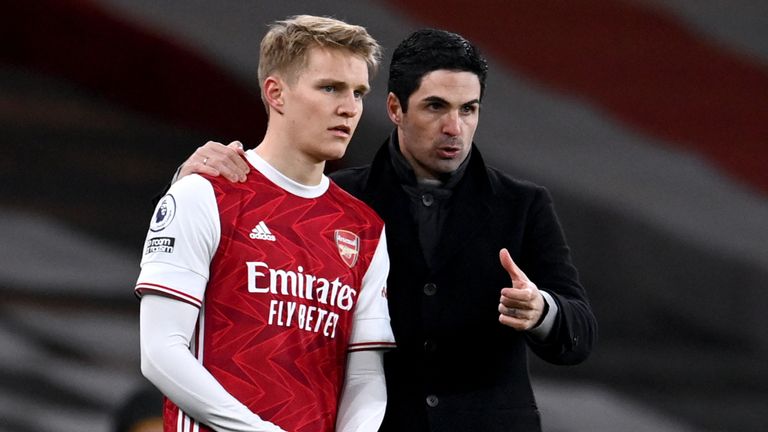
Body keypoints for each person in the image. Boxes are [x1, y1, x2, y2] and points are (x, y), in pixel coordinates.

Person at [180, 28, 597, 431]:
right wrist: (189, 183)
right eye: (436, 107)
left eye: (468, 109)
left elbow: (580, 333)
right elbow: (235, 270)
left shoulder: (523, 204)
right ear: (395, 108)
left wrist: (542, 310)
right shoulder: (340, 200)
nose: (454, 127)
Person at [135, 15, 395, 432]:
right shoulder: (204, 194)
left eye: (359, 93)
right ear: (276, 93)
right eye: (330, 88)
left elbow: (363, 374)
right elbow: (160, 352)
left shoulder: (365, 228)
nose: (349, 107)